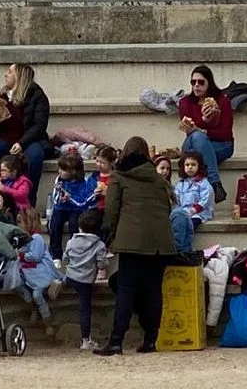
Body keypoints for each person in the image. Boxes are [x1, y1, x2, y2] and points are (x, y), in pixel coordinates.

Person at [94, 136, 175, 356]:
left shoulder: (119, 176)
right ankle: (150, 340)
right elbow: (168, 208)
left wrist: (112, 236)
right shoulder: (158, 179)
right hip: (161, 243)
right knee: (153, 290)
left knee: (126, 289)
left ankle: (116, 341)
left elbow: (111, 211)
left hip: (131, 241)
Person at [0, 64, 53, 206]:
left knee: (35, 156)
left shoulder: (38, 96)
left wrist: (21, 143)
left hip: (29, 139)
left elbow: (39, 126)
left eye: (10, 72)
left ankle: (28, 202)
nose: (6, 74)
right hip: (4, 138)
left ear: (20, 76)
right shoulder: (2, 96)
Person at [177, 65, 233, 205]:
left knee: (199, 141)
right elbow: (189, 130)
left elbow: (225, 133)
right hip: (192, 143)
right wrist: (204, 120)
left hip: (221, 144)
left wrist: (203, 131)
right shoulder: (185, 102)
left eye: (201, 82)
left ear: (209, 83)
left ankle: (208, 188)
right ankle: (215, 183)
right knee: (197, 137)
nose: (196, 85)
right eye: (193, 82)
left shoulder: (222, 101)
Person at [15, 207, 65, 336]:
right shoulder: (22, 240)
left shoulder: (36, 238)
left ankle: (47, 323)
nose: (18, 225)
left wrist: (21, 255)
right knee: (16, 284)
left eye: (20, 222)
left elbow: (35, 256)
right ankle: (32, 307)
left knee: (37, 295)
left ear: (29, 222)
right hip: (28, 274)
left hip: (40, 274)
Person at [64, 210, 109, 351]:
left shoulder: (71, 242)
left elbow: (65, 258)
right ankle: (86, 340)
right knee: (85, 309)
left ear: (79, 227)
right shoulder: (99, 245)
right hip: (85, 280)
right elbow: (102, 265)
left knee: (67, 279)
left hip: (71, 275)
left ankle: (61, 282)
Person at [49, 153, 94, 265]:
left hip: (76, 209)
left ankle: (73, 253)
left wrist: (70, 198)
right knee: (55, 222)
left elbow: (82, 202)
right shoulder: (59, 180)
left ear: (73, 171)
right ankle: (56, 255)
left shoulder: (83, 183)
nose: (59, 171)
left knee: (74, 223)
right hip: (61, 208)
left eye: (63, 169)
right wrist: (60, 198)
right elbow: (55, 200)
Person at [174, 151, 214, 229]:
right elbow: (176, 198)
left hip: (199, 212)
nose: (190, 167)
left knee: (191, 223)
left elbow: (206, 198)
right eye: (187, 165)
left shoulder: (203, 183)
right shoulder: (181, 184)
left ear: (199, 166)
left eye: (193, 165)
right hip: (184, 212)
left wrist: (194, 210)